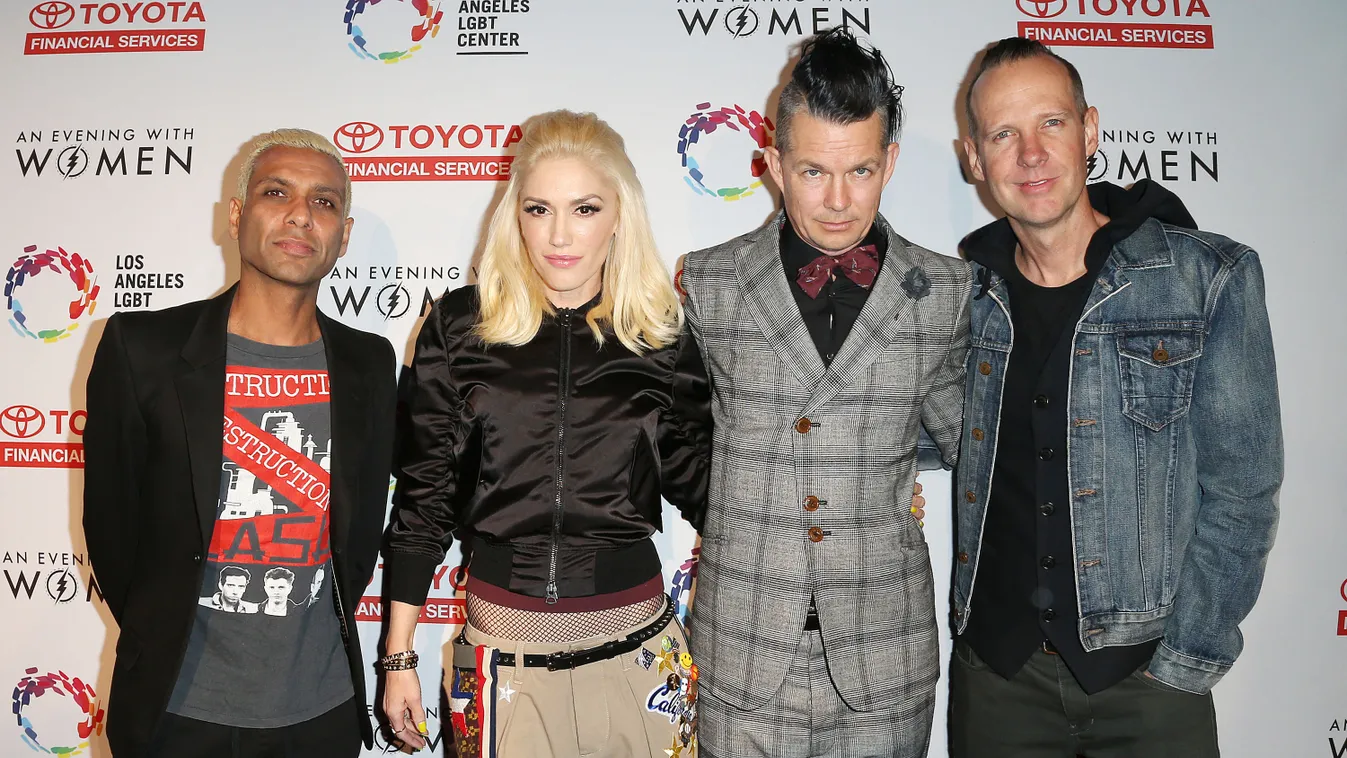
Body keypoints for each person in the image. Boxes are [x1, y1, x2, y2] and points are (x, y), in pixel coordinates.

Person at [950, 37, 1282, 757]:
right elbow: (893, 430)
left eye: (1051, 124)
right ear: (973, 158)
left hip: (1148, 687)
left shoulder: (1206, 278)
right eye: (1002, 134)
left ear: (1090, 131)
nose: (1029, 154)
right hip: (996, 686)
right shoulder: (959, 297)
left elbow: (1244, 491)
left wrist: (1185, 663)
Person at [379, 109, 711, 758]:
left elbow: (705, 488)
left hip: (642, 662)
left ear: (620, 214)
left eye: (584, 208)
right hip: (503, 664)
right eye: (539, 209)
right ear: (515, 215)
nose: (560, 234)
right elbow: (424, 500)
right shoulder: (459, 327)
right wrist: (397, 657)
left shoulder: (661, 333)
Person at [677, 27, 971, 758]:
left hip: (884, 660)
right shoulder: (707, 284)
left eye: (861, 172)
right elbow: (670, 446)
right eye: (812, 172)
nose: (838, 201)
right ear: (772, 164)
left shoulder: (944, 292)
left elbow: (983, 452)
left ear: (890, 162)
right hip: (741, 655)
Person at [82, 128, 397, 757]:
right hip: (178, 713)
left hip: (321, 711)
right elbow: (111, 534)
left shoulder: (369, 363)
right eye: (276, 192)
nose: (301, 214)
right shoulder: (142, 349)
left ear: (344, 235)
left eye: (325, 202)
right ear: (235, 215)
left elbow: (359, 540)